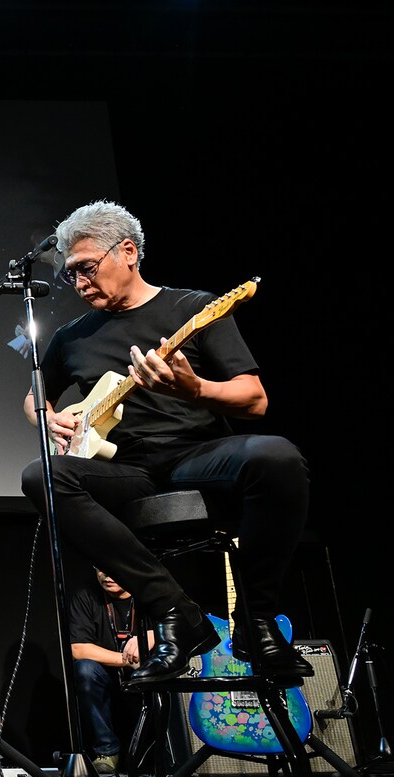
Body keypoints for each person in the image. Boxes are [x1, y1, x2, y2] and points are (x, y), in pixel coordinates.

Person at [20, 199, 312, 685]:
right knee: (41, 475)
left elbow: (255, 399)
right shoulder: (73, 337)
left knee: (277, 456)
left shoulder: (193, 308)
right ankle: (178, 612)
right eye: (70, 275)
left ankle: (256, 619)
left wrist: (194, 389)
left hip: (197, 456)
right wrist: (48, 420)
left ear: (128, 252)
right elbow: (34, 397)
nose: (79, 284)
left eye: (86, 269)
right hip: (127, 469)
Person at [69, 568, 154, 774]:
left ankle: (155, 752)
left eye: (113, 569)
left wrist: (152, 636)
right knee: (84, 669)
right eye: (100, 569)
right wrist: (126, 660)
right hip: (105, 675)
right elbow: (78, 649)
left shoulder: (150, 594)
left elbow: (183, 628)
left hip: (147, 674)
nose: (107, 576)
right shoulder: (86, 597)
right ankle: (107, 752)